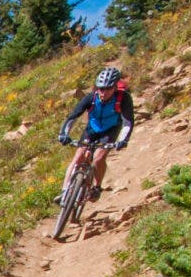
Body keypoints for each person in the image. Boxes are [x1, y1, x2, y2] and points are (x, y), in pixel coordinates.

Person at [57, 65, 137, 197]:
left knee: (98, 158)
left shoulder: (123, 98)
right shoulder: (91, 98)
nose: (103, 92)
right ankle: (64, 192)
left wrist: (123, 140)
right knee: (78, 157)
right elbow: (73, 117)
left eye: (108, 89)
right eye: (101, 89)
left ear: (115, 87)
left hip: (110, 130)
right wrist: (63, 134)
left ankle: (97, 187)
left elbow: (128, 122)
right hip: (92, 129)